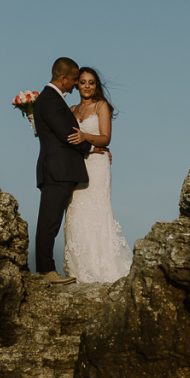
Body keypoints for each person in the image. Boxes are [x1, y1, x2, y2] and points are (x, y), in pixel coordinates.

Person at [63, 67, 133, 283]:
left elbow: (105, 138)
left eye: (91, 82)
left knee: (97, 211)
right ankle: (79, 269)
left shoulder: (102, 106)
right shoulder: (71, 110)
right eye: (82, 82)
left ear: (96, 85)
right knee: (75, 211)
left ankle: (105, 268)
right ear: (76, 84)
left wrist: (85, 136)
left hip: (97, 166)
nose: (87, 86)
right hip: (78, 165)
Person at [33, 57, 91, 285]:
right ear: (63, 77)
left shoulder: (50, 100)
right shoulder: (50, 100)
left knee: (52, 220)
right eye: (75, 79)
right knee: (49, 221)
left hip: (58, 169)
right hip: (58, 169)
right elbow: (67, 134)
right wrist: (92, 147)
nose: (76, 84)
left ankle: (47, 269)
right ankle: (46, 271)